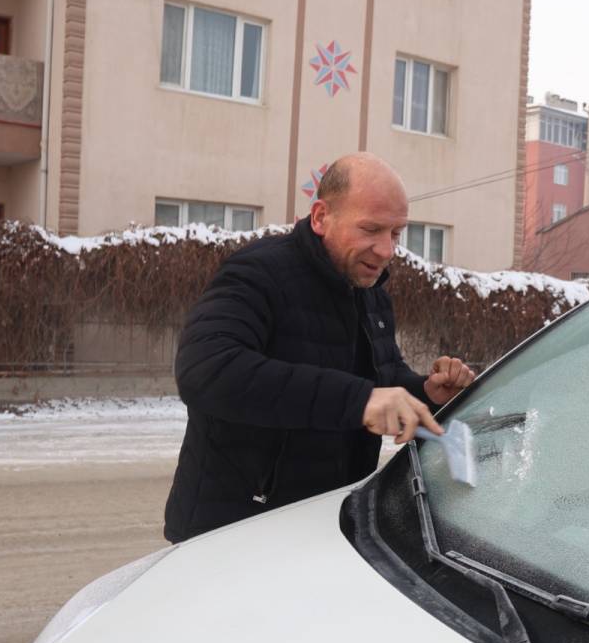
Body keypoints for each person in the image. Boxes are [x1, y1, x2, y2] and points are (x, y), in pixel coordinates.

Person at [163, 153, 475, 543]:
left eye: (395, 233)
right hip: (233, 530)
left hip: (324, 526)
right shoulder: (259, 273)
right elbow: (206, 371)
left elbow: (380, 376)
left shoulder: (370, 292)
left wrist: (423, 391)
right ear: (321, 217)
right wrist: (360, 401)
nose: (386, 250)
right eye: (371, 229)